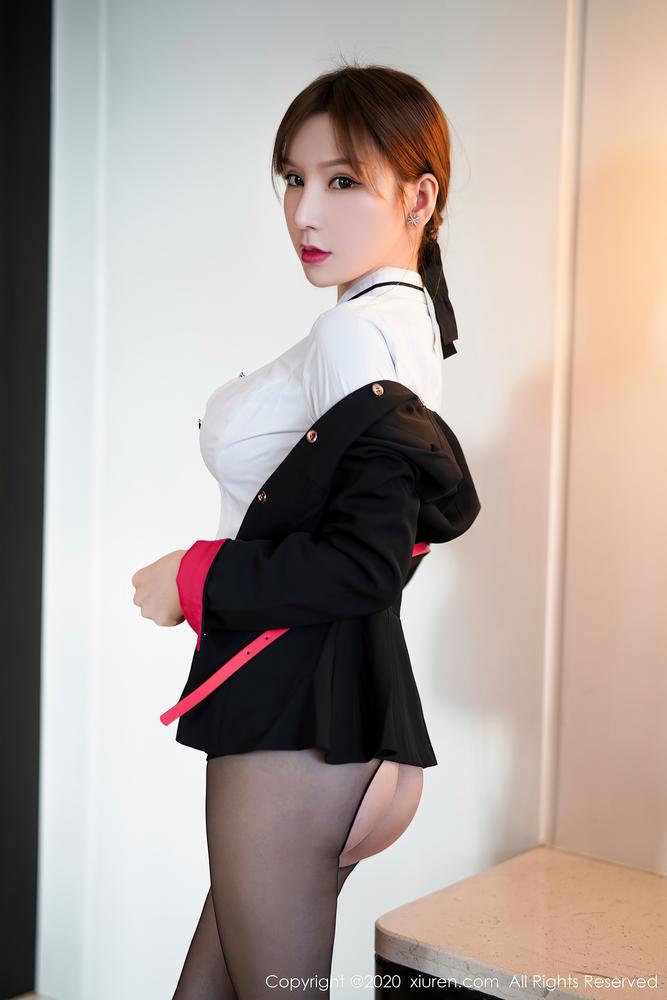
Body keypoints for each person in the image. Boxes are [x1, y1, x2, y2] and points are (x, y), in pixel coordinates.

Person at [131, 59, 480, 1000]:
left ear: (418, 197)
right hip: (339, 722)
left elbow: (364, 563)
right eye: (293, 178)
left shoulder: (353, 335)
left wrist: (192, 577)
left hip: (297, 723)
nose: (304, 212)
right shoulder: (399, 320)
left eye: (342, 181)